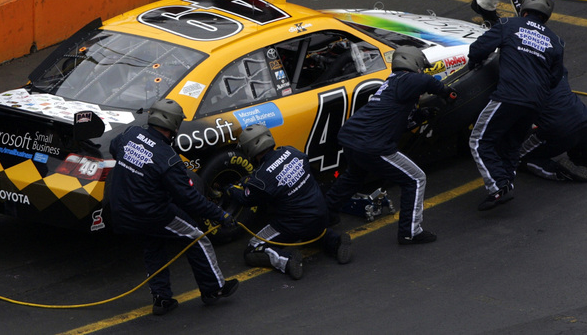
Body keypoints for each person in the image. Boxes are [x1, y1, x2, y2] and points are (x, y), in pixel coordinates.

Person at [107, 98, 238, 316]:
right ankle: (214, 289)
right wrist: (221, 215)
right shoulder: (168, 159)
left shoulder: (130, 135)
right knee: (197, 237)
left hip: (120, 211)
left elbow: (114, 149)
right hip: (151, 213)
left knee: (153, 245)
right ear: (174, 126)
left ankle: (162, 299)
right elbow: (190, 200)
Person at [326, 46, 457, 245]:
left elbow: (401, 122)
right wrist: (446, 92)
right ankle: (410, 232)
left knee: (354, 177)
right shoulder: (406, 79)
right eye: (421, 67)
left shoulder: (391, 84)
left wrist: (422, 115)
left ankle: (325, 213)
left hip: (351, 138)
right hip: (371, 144)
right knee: (415, 179)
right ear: (412, 63)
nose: (422, 70)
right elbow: (426, 81)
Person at [467, 0, 564, 210]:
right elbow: (555, 77)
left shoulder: (509, 25)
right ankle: (507, 183)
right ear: (547, 13)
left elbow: (479, 49)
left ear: (525, 6)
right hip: (535, 104)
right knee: (511, 145)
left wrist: (474, 63)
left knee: (479, 141)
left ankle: (498, 187)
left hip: (508, 96)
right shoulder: (555, 41)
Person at [226, 124, 352, 280]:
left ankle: (286, 261)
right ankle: (336, 242)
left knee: (253, 249)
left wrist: (230, 189)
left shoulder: (261, 178)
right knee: (312, 234)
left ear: (249, 149)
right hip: (321, 213)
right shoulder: (291, 151)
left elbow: (246, 199)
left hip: (295, 224)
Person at [519, 69, 587, 182]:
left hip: (559, 129)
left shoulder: (517, 80)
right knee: (579, 149)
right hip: (586, 120)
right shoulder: (555, 66)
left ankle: (558, 171)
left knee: (517, 157)